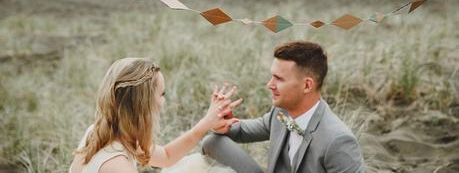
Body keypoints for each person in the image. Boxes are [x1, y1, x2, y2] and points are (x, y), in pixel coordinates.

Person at [202, 41, 364, 173]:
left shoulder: (338, 141)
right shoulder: (281, 113)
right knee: (213, 142)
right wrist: (224, 123)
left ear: (307, 85)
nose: (269, 85)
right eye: (272, 77)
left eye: (279, 79)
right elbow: (244, 130)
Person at [69, 57, 242, 173]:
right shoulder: (117, 166)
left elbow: (166, 157)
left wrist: (206, 123)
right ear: (143, 106)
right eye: (162, 94)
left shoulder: (105, 133)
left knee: (195, 164)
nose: (164, 101)